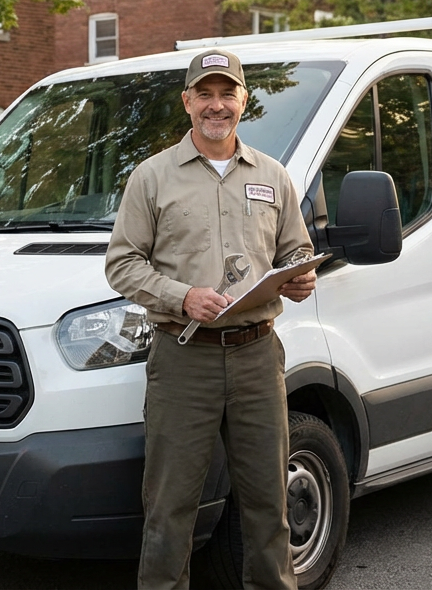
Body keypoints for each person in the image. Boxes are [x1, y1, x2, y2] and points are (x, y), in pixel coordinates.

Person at [105, 48, 317, 590]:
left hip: (257, 357)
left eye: (228, 93)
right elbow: (122, 265)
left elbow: (296, 251)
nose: (216, 105)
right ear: (187, 102)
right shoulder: (151, 178)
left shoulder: (274, 176)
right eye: (205, 93)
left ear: (244, 101)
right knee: (170, 510)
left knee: (270, 504)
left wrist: (300, 277)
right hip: (184, 358)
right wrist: (182, 296)